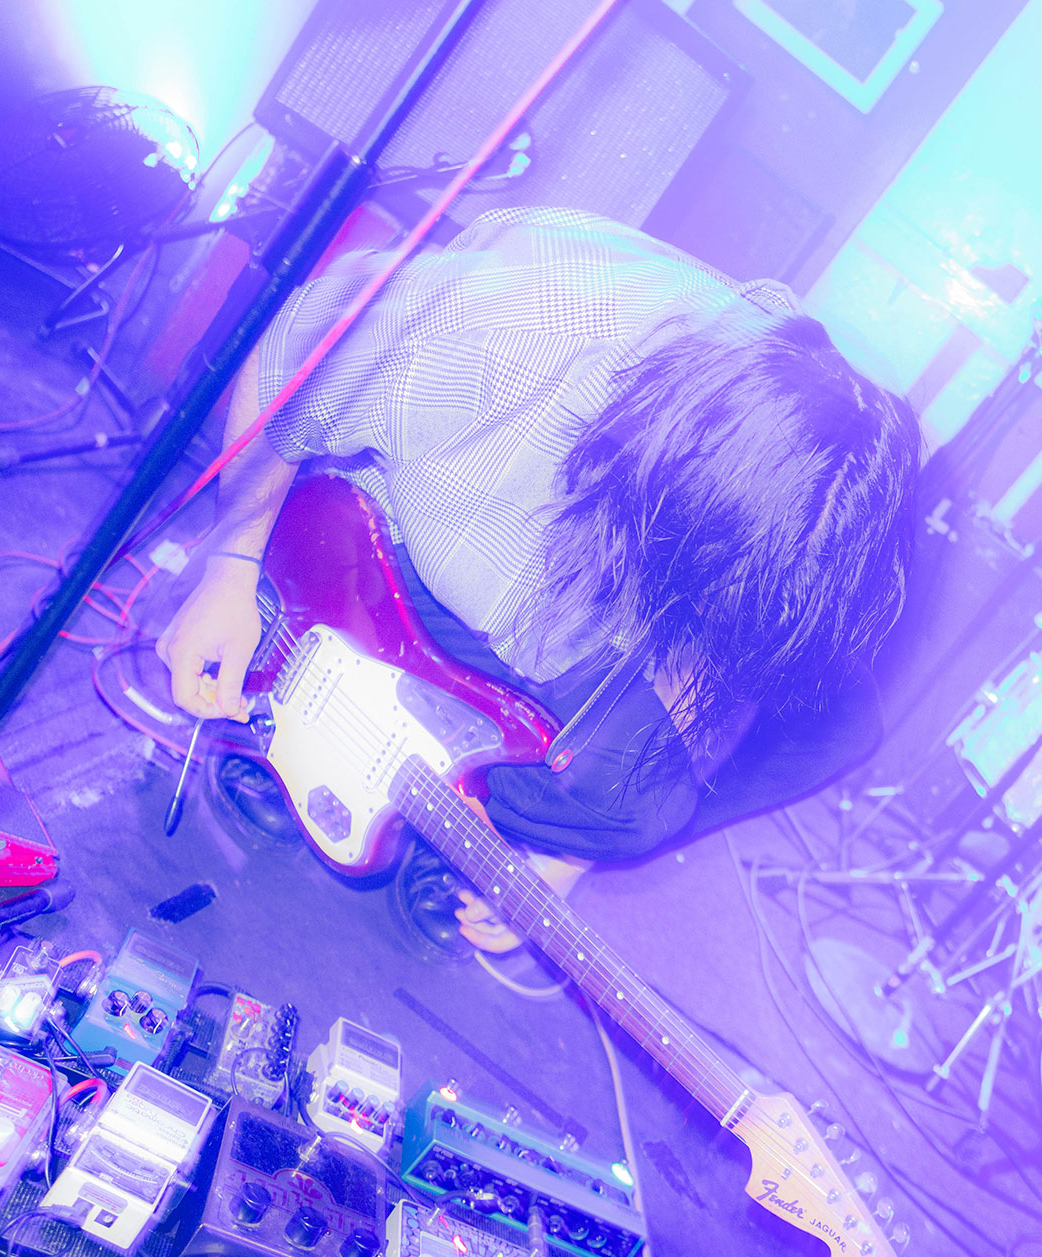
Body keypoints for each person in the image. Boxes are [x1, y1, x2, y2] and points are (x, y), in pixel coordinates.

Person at [155, 207, 920, 952]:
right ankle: (314, 708)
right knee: (278, 604)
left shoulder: (777, 501)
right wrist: (232, 561)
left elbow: (712, 672)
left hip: (559, 624)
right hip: (378, 560)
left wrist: (562, 861)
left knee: (809, 736)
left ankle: (471, 812)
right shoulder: (527, 329)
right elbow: (294, 350)